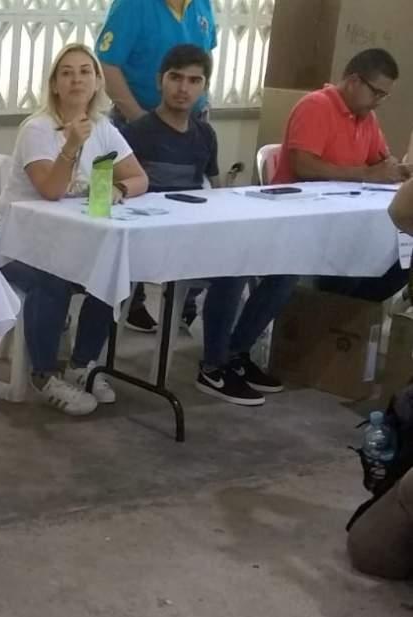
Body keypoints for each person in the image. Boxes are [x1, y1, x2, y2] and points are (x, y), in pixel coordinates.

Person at [0, 44, 149, 417]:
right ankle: (43, 375)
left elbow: (139, 177)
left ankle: (82, 365)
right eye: (66, 73)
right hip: (4, 237)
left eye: (85, 71)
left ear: (97, 81)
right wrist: (71, 145)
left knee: (115, 268)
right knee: (49, 281)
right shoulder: (38, 128)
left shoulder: (103, 127)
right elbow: (51, 191)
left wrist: (118, 189)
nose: (76, 79)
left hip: (66, 238)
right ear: (54, 84)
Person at [120, 44, 275, 406]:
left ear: (204, 86)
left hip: (196, 234)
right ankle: (213, 366)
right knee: (232, 270)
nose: (183, 88)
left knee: (276, 265)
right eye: (176, 78)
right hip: (151, 239)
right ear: (160, 81)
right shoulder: (137, 132)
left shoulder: (205, 135)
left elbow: (214, 190)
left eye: (194, 80)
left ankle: (236, 354)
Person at [97, 0, 218, 333]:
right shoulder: (133, 5)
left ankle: (184, 303)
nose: (184, 84)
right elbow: (107, 65)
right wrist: (141, 118)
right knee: (136, 203)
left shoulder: (203, 6)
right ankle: (129, 299)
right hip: (139, 121)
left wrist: (199, 109)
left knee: (191, 207)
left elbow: (205, 57)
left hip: (191, 124)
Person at [272, 48, 411, 303]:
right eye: (376, 92)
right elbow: (304, 166)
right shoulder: (316, 106)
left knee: (402, 256)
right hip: (302, 215)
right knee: (359, 259)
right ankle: (335, 312)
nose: (379, 101)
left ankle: (350, 313)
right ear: (354, 81)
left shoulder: (366, 117)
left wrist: (399, 171)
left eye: (385, 95)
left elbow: (380, 162)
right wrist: (366, 175)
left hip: (347, 216)